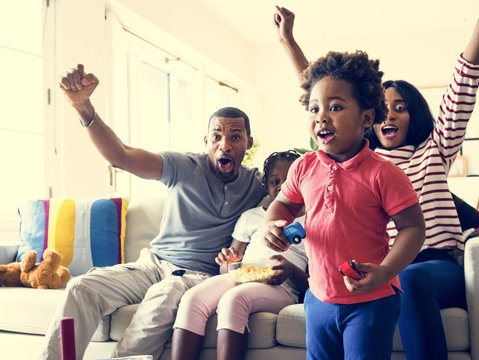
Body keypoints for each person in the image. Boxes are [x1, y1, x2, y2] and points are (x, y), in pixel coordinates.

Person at [274, 1, 479, 359]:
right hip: (368, 272)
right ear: (370, 119)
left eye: (402, 106)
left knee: (407, 280)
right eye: (386, 108)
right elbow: (324, 94)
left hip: (432, 263)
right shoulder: (352, 158)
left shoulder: (434, 150)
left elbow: (461, 93)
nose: (391, 114)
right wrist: (289, 43)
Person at [40, 64, 267, 360]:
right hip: (152, 265)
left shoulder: (258, 185)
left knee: (164, 295)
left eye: (235, 137)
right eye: (216, 137)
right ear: (206, 142)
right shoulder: (184, 167)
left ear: (248, 143)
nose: (224, 144)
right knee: (81, 287)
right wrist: (83, 107)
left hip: (197, 276)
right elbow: (121, 156)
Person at [262, 50, 426, 360]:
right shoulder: (303, 167)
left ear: (366, 118)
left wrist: (386, 270)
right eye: (314, 108)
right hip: (319, 297)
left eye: (335, 107)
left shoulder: (384, 173)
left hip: (372, 299)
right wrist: (274, 224)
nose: (321, 116)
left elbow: (413, 228)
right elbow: (284, 203)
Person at [170, 149, 308, 360]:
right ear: (265, 185)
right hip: (243, 276)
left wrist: (288, 270)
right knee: (192, 298)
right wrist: (230, 262)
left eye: (289, 180)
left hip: (283, 287)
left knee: (233, 299)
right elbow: (228, 268)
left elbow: (312, 285)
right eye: (275, 181)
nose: (282, 186)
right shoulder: (251, 217)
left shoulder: (313, 221)